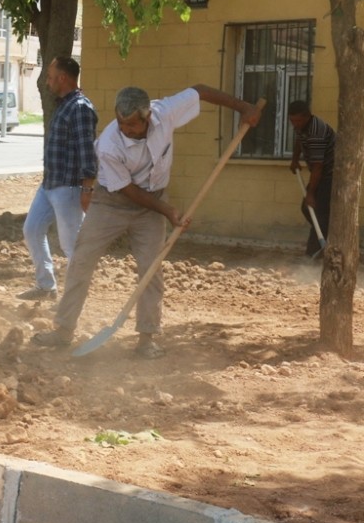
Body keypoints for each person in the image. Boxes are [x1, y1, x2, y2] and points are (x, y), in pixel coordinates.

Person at [33, 84, 262, 358]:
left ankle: (147, 338)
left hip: (152, 203)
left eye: (131, 125)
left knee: (151, 268)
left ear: (147, 117)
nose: (125, 129)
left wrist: (244, 108)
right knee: (82, 259)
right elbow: (127, 189)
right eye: (121, 123)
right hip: (112, 201)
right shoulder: (108, 144)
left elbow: (200, 91)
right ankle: (62, 330)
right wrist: (167, 210)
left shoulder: (164, 112)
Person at [19, 57, 98, 300]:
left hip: (70, 187)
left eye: (51, 76)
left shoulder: (80, 108)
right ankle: (46, 287)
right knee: (32, 230)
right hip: (51, 183)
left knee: (72, 246)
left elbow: (87, 150)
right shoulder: (64, 105)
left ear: (63, 78)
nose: (48, 81)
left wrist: (87, 189)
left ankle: (76, 297)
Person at [287, 100, 335, 256]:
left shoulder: (316, 132)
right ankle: (325, 236)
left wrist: (311, 193)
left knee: (319, 213)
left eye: (298, 121)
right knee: (308, 209)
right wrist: (295, 159)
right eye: (292, 121)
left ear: (308, 117)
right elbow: (299, 140)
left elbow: (318, 166)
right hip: (321, 173)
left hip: (331, 174)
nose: (295, 124)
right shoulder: (302, 126)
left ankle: (313, 254)